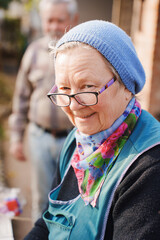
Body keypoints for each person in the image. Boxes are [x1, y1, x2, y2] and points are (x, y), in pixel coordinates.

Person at [24, 20, 160, 240]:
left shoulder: (150, 166)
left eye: (88, 87)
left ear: (126, 85)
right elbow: (47, 223)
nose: (74, 106)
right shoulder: (78, 142)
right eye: (65, 89)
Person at [8, 0, 79, 221]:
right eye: (50, 20)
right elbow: (21, 97)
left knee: (72, 199)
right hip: (38, 137)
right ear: (43, 21)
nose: (55, 26)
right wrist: (16, 138)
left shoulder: (82, 54)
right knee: (41, 199)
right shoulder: (34, 51)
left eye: (61, 20)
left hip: (73, 140)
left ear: (73, 21)